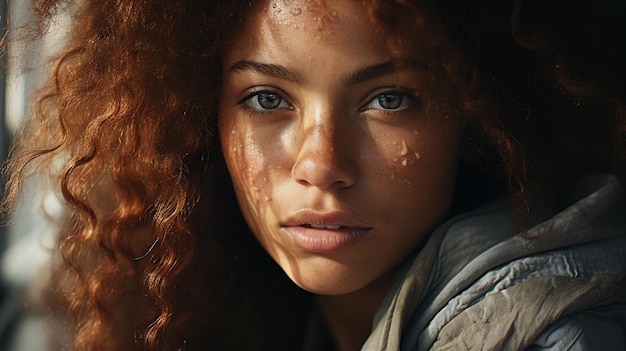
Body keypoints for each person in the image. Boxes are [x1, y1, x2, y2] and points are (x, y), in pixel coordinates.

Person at [2, 0, 626, 350]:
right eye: (267, 99)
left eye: (388, 100)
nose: (321, 164)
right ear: (202, 116)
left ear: (474, 115)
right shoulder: (271, 321)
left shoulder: (549, 335)